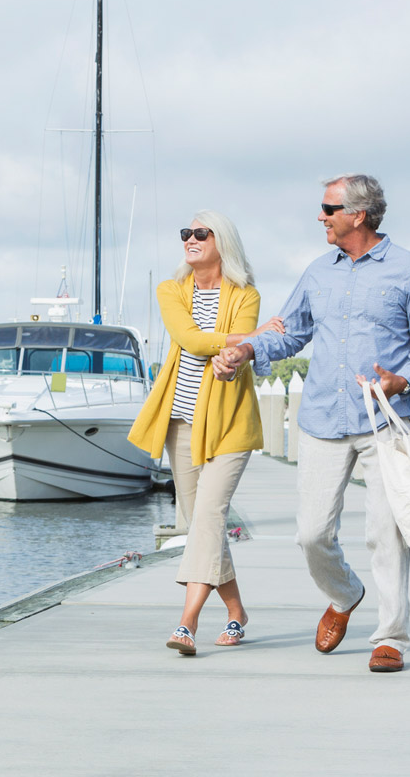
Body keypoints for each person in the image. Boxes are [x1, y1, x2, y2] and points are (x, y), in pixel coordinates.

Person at [214, 174, 410, 673]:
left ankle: (391, 637)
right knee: (311, 533)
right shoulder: (318, 272)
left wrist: (400, 381)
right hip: (322, 418)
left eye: (328, 208)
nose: (320, 216)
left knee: (386, 532)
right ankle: (344, 595)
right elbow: (289, 333)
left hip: (383, 421)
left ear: (357, 215)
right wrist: (247, 348)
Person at [127, 210, 281, 656]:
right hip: (180, 422)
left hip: (231, 422)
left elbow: (236, 356)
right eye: (185, 234)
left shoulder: (245, 294)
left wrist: (238, 346)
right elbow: (192, 341)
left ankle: (187, 622)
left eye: (200, 233)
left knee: (210, 516)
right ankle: (237, 614)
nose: (189, 240)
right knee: (200, 525)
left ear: (222, 242)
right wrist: (249, 335)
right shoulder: (170, 290)